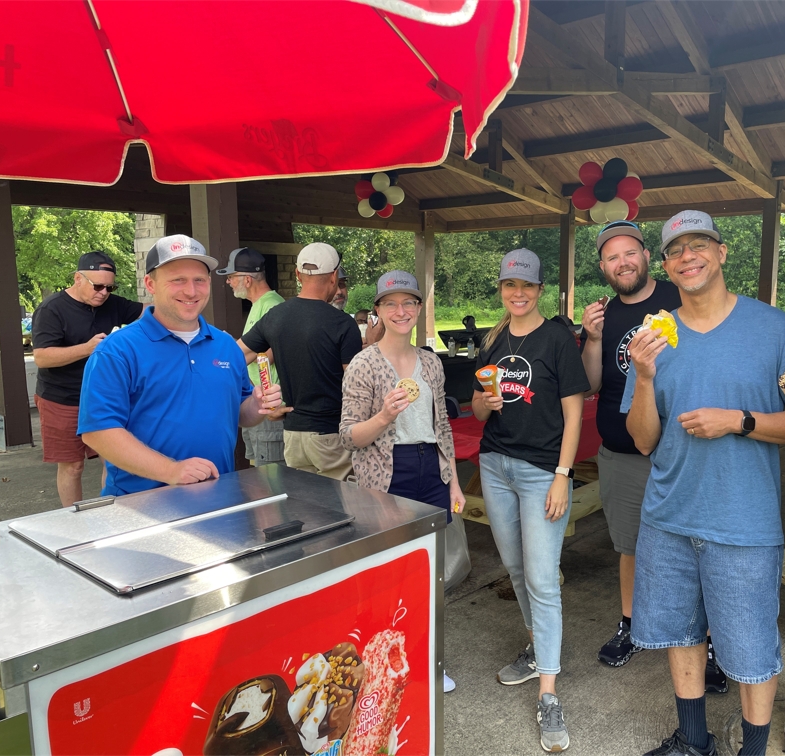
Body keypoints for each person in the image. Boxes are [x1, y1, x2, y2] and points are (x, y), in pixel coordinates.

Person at [624, 211, 785, 756]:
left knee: (752, 649)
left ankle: (753, 750)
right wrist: (644, 377)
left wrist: (740, 421)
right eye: (675, 250)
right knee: (680, 634)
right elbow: (642, 440)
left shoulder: (775, 329)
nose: (687, 257)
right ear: (665, 266)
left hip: (743, 520)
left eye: (698, 245)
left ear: (721, 252)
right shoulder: (653, 337)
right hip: (667, 516)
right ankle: (694, 741)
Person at [471, 248, 589, 753]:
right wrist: (485, 401)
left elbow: (574, 413)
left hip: (542, 471)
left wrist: (563, 475)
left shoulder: (558, 339)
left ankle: (549, 693)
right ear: (501, 289)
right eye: (509, 285)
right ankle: (538, 648)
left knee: (542, 578)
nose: (517, 294)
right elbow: (478, 410)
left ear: (540, 290)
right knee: (516, 569)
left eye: (526, 286)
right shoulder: (492, 340)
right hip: (495, 465)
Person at [339, 269, 466, 695]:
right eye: (390, 303)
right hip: (386, 475)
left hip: (432, 469)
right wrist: (384, 416)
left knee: (429, 573)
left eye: (408, 302)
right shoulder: (364, 364)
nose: (400, 311)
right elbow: (349, 436)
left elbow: (442, 425)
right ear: (377, 310)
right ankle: (383, 669)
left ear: (418, 308)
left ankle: (429, 661)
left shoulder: (430, 362)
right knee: (387, 576)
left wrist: (453, 481)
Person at [78, 235, 281, 496]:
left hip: (216, 494)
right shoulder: (117, 350)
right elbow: (98, 431)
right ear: (150, 284)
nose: (191, 291)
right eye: (178, 280)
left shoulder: (226, 346)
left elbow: (241, 412)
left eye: (199, 280)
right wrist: (171, 471)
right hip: (140, 503)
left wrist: (257, 404)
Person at [579, 221, 688, 671]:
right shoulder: (603, 316)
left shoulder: (682, 298)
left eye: (629, 253)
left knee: (691, 547)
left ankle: (704, 640)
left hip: (680, 452)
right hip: (621, 454)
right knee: (630, 547)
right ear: (603, 267)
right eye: (612, 257)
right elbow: (591, 384)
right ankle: (632, 624)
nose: (622, 263)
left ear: (646, 256)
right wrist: (591, 338)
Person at [239, 243, 362, 480]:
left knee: (305, 500)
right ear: (334, 276)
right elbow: (356, 387)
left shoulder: (275, 315)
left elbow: (235, 357)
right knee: (343, 500)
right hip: (331, 435)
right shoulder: (343, 324)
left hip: (293, 434)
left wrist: (262, 402)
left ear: (297, 274)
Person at [31, 251, 143, 506]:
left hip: (103, 396)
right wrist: (88, 348)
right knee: (73, 466)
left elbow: (150, 311)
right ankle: (73, 520)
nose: (103, 293)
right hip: (62, 398)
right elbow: (42, 357)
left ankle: (112, 514)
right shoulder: (52, 308)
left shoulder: (112, 303)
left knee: (114, 460)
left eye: (110, 287)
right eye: (98, 286)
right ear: (78, 279)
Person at [218, 247, 287, 466]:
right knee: (257, 472)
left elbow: (273, 353)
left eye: (231, 277)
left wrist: (236, 352)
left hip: (270, 404)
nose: (228, 282)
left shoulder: (272, 305)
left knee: (271, 477)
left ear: (247, 280)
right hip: (257, 403)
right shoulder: (260, 305)